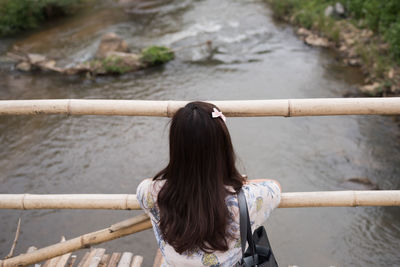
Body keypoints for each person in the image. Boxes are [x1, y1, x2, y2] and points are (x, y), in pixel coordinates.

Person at [137, 101, 281, 267]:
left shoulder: (150, 192)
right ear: (223, 146)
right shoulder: (246, 200)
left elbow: (147, 185)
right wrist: (240, 181)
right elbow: (274, 186)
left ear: (175, 146)